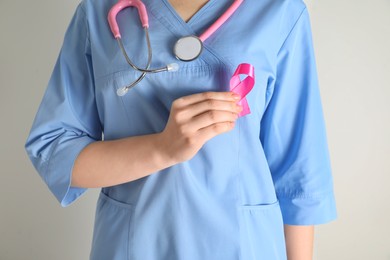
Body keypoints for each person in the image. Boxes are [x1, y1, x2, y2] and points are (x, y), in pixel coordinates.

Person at [25, 0, 337, 259]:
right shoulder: (98, 11)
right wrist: (162, 148)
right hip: (135, 247)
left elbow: (298, 174)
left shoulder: (278, 11)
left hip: (245, 246)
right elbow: (55, 152)